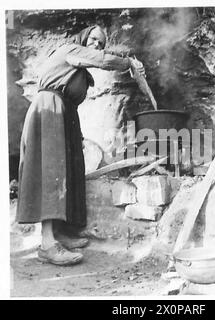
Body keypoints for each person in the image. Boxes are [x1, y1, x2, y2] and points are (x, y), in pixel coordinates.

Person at [16, 26, 144, 266]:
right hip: (49, 110)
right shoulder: (71, 50)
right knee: (52, 172)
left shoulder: (80, 69)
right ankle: (47, 244)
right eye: (93, 39)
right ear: (84, 38)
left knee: (70, 171)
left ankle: (59, 233)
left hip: (64, 113)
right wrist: (129, 62)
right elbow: (103, 60)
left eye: (101, 42)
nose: (97, 44)